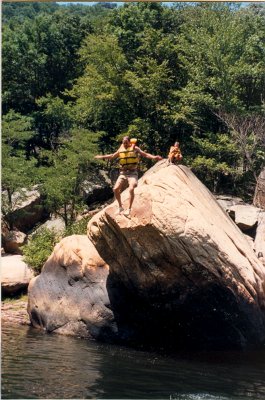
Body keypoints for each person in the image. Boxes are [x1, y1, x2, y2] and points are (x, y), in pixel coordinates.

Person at [95, 136, 162, 216]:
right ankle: (120, 207)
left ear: (130, 142)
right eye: (123, 143)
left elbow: (145, 154)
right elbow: (112, 156)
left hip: (132, 173)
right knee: (116, 189)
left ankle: (129, 209)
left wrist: (154, 157)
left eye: (126, 143)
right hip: (123, 173)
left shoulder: (135, 148)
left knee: (131, 188)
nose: (125, 144)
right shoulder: (121, 149)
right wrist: (101, 157)